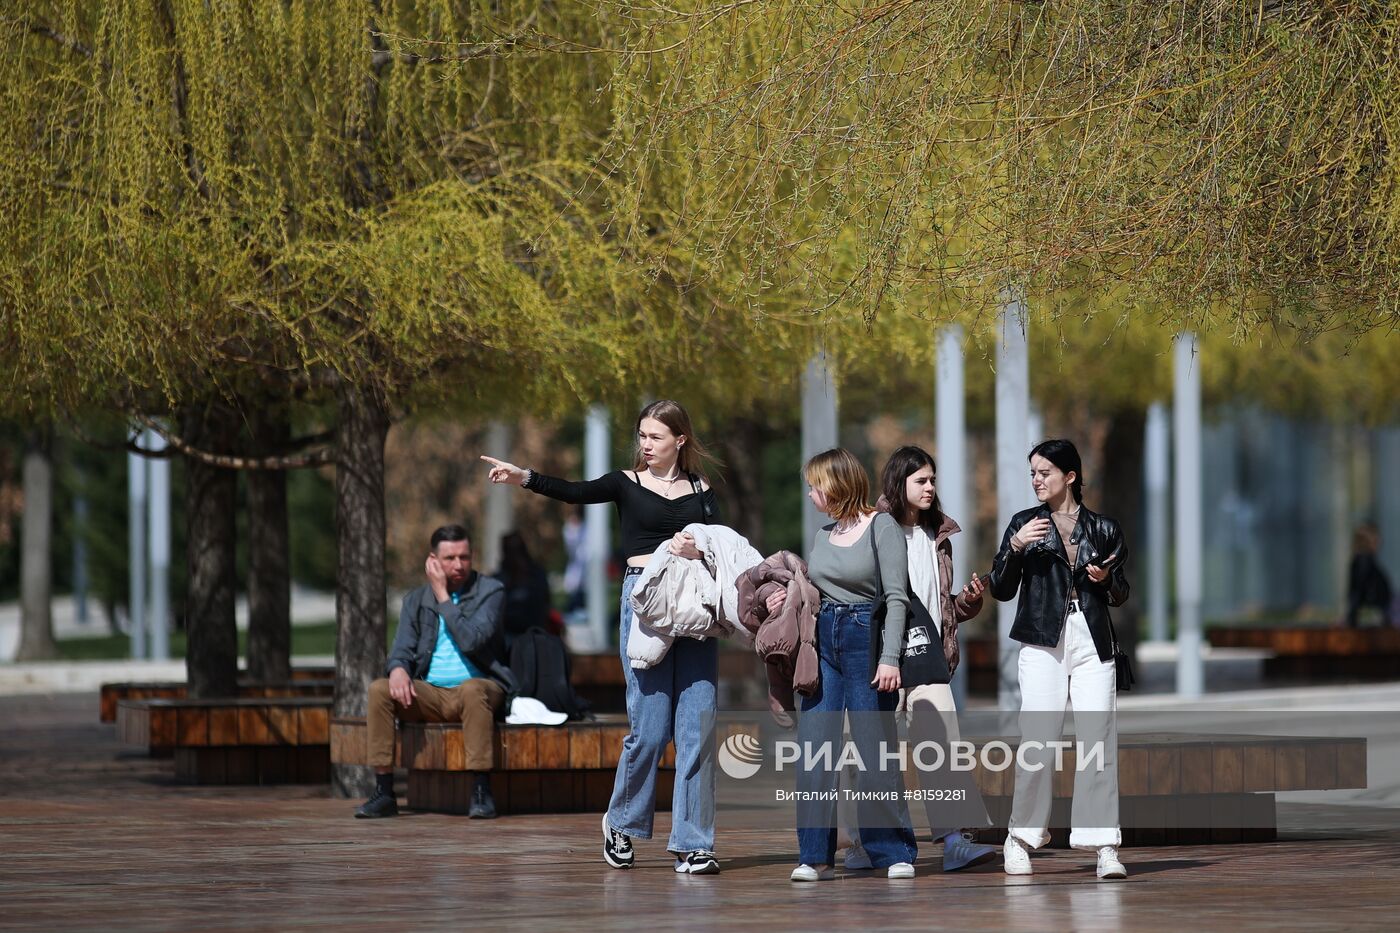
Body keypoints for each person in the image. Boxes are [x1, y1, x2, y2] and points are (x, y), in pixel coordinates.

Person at [481, 400, 727, 875]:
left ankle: (693, 843)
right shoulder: (624, 483)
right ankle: (621, 822)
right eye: (642, 435)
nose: (646, 444)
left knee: (698, 728)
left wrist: (701, 546)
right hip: (647, 602)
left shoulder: (702, 489)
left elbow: (721, 541)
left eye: (656, 436)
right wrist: (523, 476)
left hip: (694, 606)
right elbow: (574, 491)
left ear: (681, 440)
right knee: (651, 728)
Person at [988, 439, 1130, 880]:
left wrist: (1106, 579)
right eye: (1032, 472)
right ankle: (1021, 838)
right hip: (1041, 641)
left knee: (1097, 741)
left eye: (1045, 472)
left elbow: (1121, 594)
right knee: (1038, 740)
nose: (1036, 480)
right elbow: (1000, 588)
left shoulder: (1104, 528)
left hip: (1091, 640)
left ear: (1070, 476)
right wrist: (1014, 547)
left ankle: (1103, 843)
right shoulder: (1024, 525)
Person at [785, 447, 918, 882]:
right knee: (815, 750)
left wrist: (890, 657)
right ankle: (815, 856)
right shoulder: (823, 535)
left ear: (837, 485)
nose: (810, 494)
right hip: (824, 640)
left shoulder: (882, 527)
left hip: (867, 637)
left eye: (814, 485)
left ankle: (891, 851)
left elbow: (897, 597)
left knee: (873, 749)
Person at [877, 445, 999, 872]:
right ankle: (864, 843)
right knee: (871, 754)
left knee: (943, 747)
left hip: (929, 659)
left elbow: (938, 607)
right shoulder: (876, 529)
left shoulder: (937, 536)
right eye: (921, 481)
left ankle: (954, 841)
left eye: (932, 480)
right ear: (899, 483)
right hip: (883, 662)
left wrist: (966, 601)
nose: (930, 488)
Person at [355, 524, 515, 820]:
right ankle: (384, 791)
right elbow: (401, 648)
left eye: (464, 557)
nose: (458, 565)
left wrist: (443, 597)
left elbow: (472, 640)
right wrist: (398, 670)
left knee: (471, 689)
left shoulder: (491, 592)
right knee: (380, 689)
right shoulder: (415, 600)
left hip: (480, 688)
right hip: (430, 692)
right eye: (450, 558)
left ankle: (481, 790)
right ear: (433, 560)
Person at [493, 531, 553, 646]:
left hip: (534, 635)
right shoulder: (498, 580)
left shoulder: (537, 576)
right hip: (508, 636)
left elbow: (543, 606)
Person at [1346, 524, 1394, 628]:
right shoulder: (1363, 561)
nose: (1380, 541)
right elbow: (1359, 590)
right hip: (1371, 618)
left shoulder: (1364, 561)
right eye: (1376, 538)